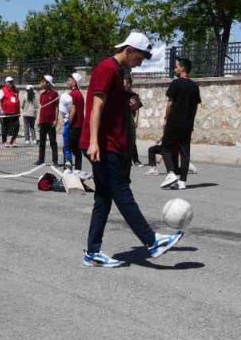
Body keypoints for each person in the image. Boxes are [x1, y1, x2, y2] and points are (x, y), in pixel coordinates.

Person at [80, 32, 184, 268]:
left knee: (103, 199)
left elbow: (111, 103)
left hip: (112, 143)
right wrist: (94, 142)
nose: (142, 61)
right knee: (121, 192)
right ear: (128, 50)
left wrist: (128, 98)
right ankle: (151, 241)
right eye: (141, 56)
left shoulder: (117, 71)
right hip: (105, 145)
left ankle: (93, 252)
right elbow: (96, 107)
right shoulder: (107, 68)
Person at [157, 57, 201, 190]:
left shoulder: (176, 83)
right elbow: (195, 107)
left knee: (165, 147)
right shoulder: (194, 86)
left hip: (174, 122)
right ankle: (182, 181)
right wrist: (191, 122)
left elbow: (170, 103)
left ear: (182, 68)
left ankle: (171, 173)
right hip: (187, 124)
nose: (175, 69)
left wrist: (165, 118)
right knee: (185, 151)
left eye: (176, 67)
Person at [34, 74, 61, 166]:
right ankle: (41, 159)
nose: (41, 83)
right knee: (42, 142)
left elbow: (57, 107)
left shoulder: (54, 94)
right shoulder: (42, 95)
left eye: (43, 82)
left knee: (53, 142)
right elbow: (41, 108)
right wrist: (38, 120)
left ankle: (55, 160)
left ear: (48, 83)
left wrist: (56, 119)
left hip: (51, 122)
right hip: (43, 121)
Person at [62, 72, 85, 171]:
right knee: (77, 150)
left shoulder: (72, 94)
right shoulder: (79, 94)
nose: (67, 82)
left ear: (75, 82)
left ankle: (68, 171)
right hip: (79, 126)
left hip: (73, 126)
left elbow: (73, 109)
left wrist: (68, 123)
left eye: (69, 80)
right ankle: (78, 171)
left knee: (67, 148)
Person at [0, 76, 21, 147]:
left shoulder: (16, 90)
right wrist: (1, 109)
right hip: (6, 112)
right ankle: (4, 141)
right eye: (9, 82)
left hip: (15, 113)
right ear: (6, 83)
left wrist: (19, 110)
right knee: (5, 127)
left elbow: (17, 100)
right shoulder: (3, 90)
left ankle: (13, 141)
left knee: (17, 126)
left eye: (12, 81)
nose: (11, 83)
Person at [125, 76, 142, 165]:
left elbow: (137, 109)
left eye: (127, 83)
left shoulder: (134, 96)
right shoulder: (120, 95)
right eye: (124, 83)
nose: (125, 85)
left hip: (130, 120)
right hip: (122, 121)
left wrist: (136, 120)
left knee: (132, 141)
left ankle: (135, 160)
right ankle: (126, 160)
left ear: (130, 84)